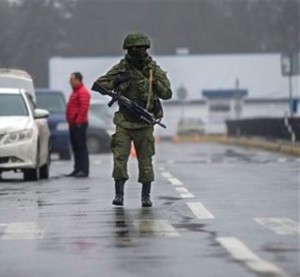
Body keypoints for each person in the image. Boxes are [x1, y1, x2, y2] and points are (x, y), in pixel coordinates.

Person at [93, 32, 172, 207]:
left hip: (144, 122)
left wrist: (153, 83)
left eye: (140, 49)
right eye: (134, 49)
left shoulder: (153, 69)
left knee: (145, 160)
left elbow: (167, 93)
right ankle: (119, 194)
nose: (137, 52)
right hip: (124, 121)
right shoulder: (122, 68)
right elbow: (98, 84)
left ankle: (146, 196)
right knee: (119, 158)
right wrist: (117, 82)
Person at [66, 72, 91, 178]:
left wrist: (78, 122)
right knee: (75, 147)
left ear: (78, 80)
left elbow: (83, 108)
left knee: (81, 147)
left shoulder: (83, 92)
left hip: (79, 124)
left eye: (72, 80)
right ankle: (77, 168)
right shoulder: (75, 92)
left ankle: (84, 169)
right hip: (73, 123)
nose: (70, 82)